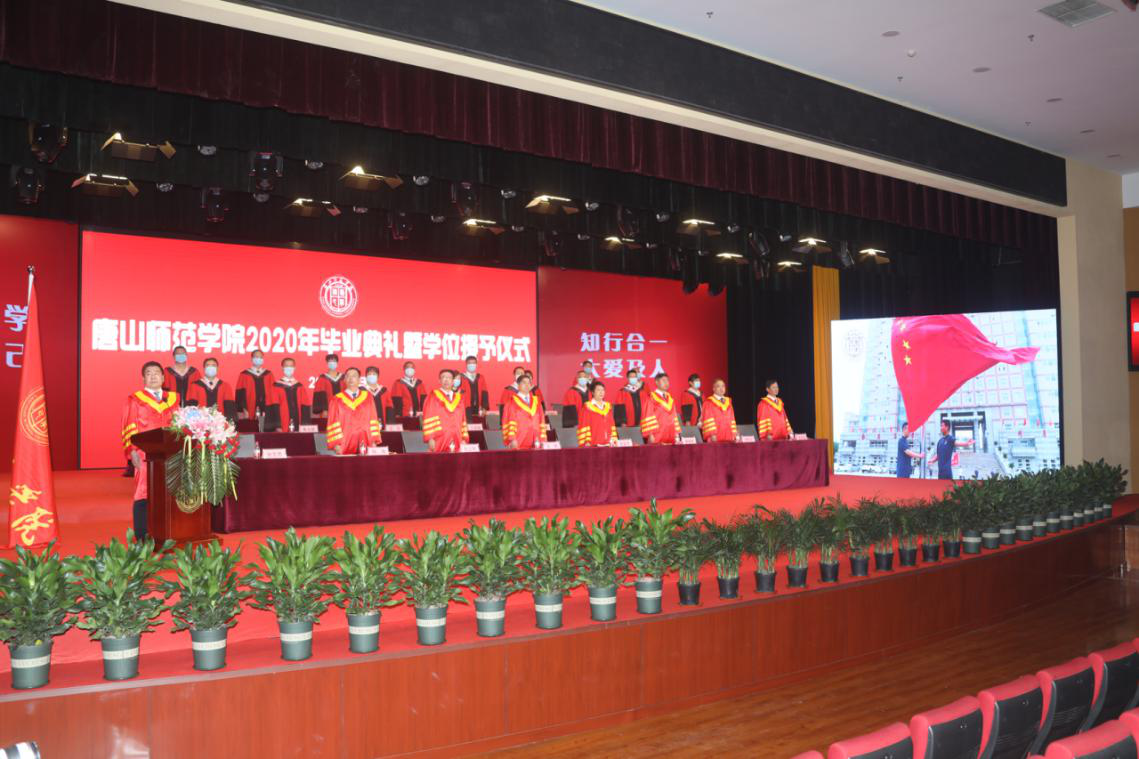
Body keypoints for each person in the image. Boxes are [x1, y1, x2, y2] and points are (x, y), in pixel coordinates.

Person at [121, 361, 178, 540]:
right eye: (148, 373)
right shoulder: (135, 399)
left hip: (170, 454)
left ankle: (166, 532)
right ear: (143, 378)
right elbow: (129, 425)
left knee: (169, 493)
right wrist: (132, 452)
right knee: (143, 492)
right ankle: (142, 535)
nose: (153, 376)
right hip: (145, 454)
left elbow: (179, 423)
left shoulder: (173, 399)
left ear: (163, 377)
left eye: (156, 373)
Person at [325, 367, 382, 455]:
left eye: (354, 376)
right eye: (348, 376)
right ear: (344, 380)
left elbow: (373, 419)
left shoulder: (368, 397)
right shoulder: (336, 399)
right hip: (345, 444)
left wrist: (374, 441)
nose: (351, 378)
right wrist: (336, 445)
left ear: (359, 380)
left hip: (366, 442)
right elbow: (333, 422)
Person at [422, 368, 469, 452]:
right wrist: (430, 438)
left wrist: (464, 438)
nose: (446, 380)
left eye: (449, 377)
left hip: (457, 437)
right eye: (443, 377)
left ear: (453, 381)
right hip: (440, 438)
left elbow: (463, 419)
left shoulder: (459, 398)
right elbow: (428, 417)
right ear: (439, 381)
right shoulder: (433, 396)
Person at [502, 374, 547, 449]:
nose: (527, 385)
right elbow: (510, 421)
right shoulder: (512, 402)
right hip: (519, 440)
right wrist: (512, 439)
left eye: (529, 383)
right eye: (524, 382)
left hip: (536, 439)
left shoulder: (537, 401)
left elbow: (542, 420)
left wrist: (543, 439)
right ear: (518, 386)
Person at [269, 357, 311, 432]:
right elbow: (273, 407)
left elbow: (305, 407)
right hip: (282, 424)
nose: (289, 368)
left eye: (291, 366)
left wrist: (305, 425)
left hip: (298, 424)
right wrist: (277, 425)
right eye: (286, 366)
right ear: (282, 368)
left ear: (294, 368)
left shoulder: (299, 386)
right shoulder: (276, 386)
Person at [641, 372, 681, 445]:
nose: (666, 383)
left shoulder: (670, 399)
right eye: (663, 380)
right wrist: (650, 434)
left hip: (671, 435)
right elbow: (648, 416)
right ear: (657, 382)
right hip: (657, 435)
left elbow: (674, 417)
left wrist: (676, 433)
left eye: (667, 380)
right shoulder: (651, 398)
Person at [235, 350, 275, 420]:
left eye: (260, 357)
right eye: (256, 357)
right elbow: (239, 394)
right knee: (251, 426)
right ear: (252, 359)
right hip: (248, 410)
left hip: (266, 410)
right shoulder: (244, 374)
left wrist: (272, 409)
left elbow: (273, 394)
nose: (258, 359)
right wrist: (242, 410)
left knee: (263, 425)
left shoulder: (269, 374)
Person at [577, 381, 618, 446]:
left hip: (609, 444)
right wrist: (586, 442)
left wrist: (614, 439)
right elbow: (583, 425)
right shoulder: (587, 407)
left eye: (603, 390)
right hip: (593, 444)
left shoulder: (608, 407)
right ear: (593, 392)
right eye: (598, 390)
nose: (601, 392)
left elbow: (612, 425)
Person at [312, 353, 344, 418]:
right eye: (330, 361)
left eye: (334, 361)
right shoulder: (322, 378)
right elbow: (320, 395)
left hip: (342, 409)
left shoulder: (343, 378)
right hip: (328, 411)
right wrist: (324, 409)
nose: (332, 363)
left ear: (337, 363)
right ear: (327, 363)